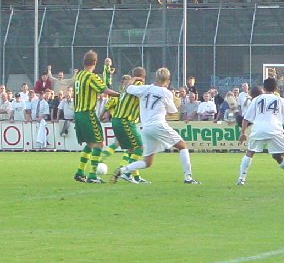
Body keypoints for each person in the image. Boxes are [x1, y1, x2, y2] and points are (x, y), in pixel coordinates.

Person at [111, 67, 200, 185]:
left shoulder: (145, 88)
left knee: (148, 162)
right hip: (158, 125)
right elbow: (172, 111)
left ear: (155, 78)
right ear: (167, 80)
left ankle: (123, 170)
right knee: (182, 146)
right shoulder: (166, 92)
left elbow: (128, 88)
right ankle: (188, 177)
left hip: (146, 128)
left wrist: (133, 78)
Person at [236, 77, 284, 187]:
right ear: (276, 88)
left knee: (249, 153)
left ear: (264, 87)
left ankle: (241, 179)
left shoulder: (256, 99)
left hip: (258, 129)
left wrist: (243, 133)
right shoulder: (280, 100)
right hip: (274, 130)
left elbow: (246, 119)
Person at [72, 50, 120, 183]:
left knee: (90, 143)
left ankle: (80, 172)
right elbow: (105, 90)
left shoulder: (79, 75)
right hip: (88, 113)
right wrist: (120, 95)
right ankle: (92, 175)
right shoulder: (91, 76)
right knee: (99, 144)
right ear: (95, 63)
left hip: (78, 113)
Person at [101, 70, 149, 184]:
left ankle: (135, 177)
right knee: (140, 148)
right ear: (143, 77)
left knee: (131, 149)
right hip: (125, 121)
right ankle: (127, 173)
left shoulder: (125, 88)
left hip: (117, 120)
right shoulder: (138, 86)